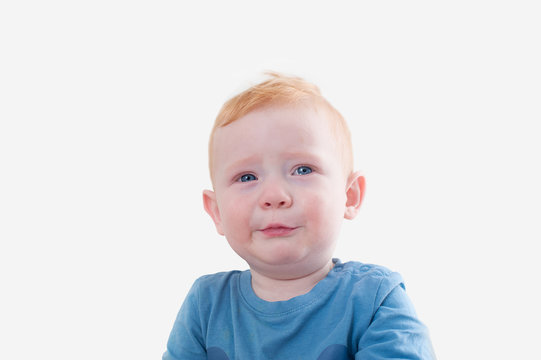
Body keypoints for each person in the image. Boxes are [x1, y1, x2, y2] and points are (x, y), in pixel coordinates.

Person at [163, 72, 436, 359]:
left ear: (350, 195)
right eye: (246, 177)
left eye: (303, 170)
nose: (274, 195)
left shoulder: (376, 300)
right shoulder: (206, 307)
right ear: (216, 211)